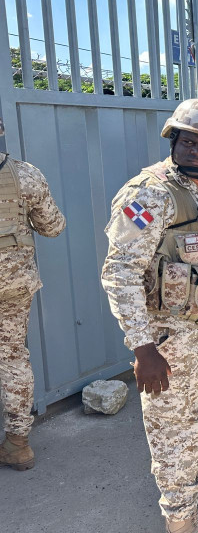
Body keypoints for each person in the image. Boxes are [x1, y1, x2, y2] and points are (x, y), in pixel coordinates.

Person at [101, 99, 198, 533]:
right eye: (189, 141)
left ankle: (191, 486)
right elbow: (120, 272)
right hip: (167, 338)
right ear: (173, 140)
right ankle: (182, 522)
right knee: (172, 432)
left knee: (197, 420)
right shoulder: (148, 193)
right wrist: (143, 349)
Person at [0, 117, 66, 472]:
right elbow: (53, 227)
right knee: (12, 358)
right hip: (14, 283)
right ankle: (17, 443)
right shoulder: (26, 175)